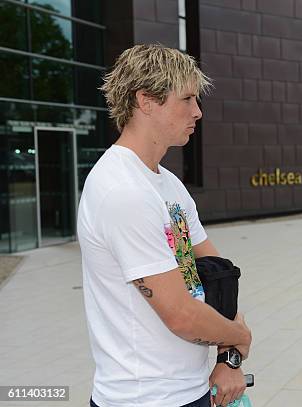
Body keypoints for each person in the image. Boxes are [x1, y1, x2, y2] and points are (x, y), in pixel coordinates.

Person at [77, 44, 252, 407]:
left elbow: (219, 277)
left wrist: (228, 357)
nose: (197, 111)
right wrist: (239, 336)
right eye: (186, 98)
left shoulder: (167, 184)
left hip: (190, 391)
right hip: (143, 398)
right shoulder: (121, 190)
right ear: (145, 101)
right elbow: (181, 315)